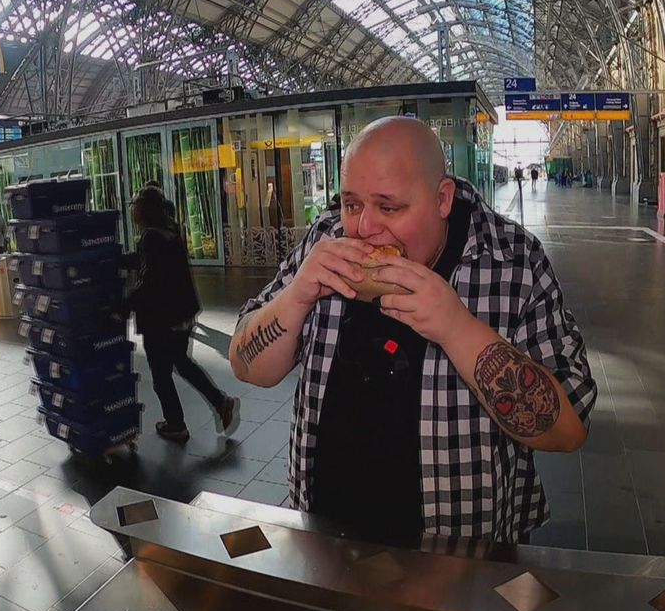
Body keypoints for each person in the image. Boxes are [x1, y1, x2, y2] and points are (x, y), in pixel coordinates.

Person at [229, 117, 596, 547]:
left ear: (442, 199)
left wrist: (457, 329)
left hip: (459, 559)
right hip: (322, 540)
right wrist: (296, 296)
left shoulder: (513, 262)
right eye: (352, 204)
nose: (365, 227)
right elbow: (245, 363)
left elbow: (567, 430)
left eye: (389, 207)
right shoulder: (325, 242)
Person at [126, 186, 239, 444]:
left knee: (161, 376)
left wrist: (122, 304)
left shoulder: (150, 238)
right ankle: (220, 402)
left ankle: (176, 425)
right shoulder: (169, 232)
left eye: (135, 205)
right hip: (182, 314)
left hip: (161, 320)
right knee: (182, 363)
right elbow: (149, 262)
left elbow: (149, 283)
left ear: (143, 210)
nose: (133, 209)